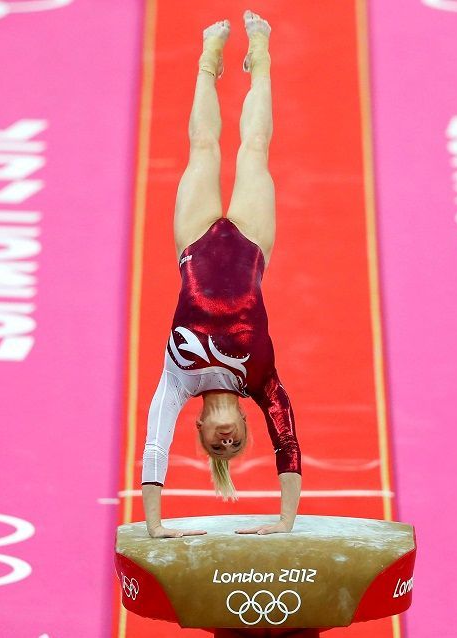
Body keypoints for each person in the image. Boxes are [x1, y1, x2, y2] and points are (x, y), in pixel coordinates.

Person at [141, 10, 301, 539]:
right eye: (235, 445)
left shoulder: (178, 380)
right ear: (242, 424)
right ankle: (263, 59)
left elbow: (155, 446)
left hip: (194, 240)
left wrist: (156, 525)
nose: (225, 443)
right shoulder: (259, 381)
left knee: (204, 148)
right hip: (253, 244)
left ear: (203, 426)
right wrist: (284, 523)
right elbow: (289, 446)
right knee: (255, 149)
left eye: (216, 445)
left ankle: (207, 64)